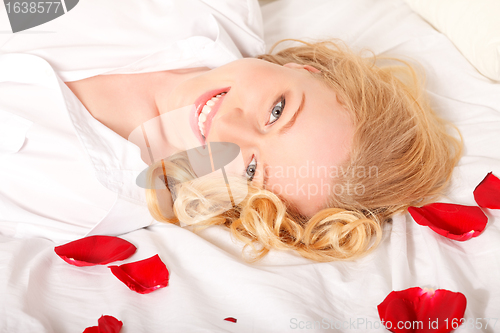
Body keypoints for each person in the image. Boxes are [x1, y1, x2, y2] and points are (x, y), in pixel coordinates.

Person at [0, 1, 461, 262]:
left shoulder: (82, 200)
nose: (230, 129)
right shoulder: (210, 9)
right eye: (278, 110)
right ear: (309, 67)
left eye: (254, 168)